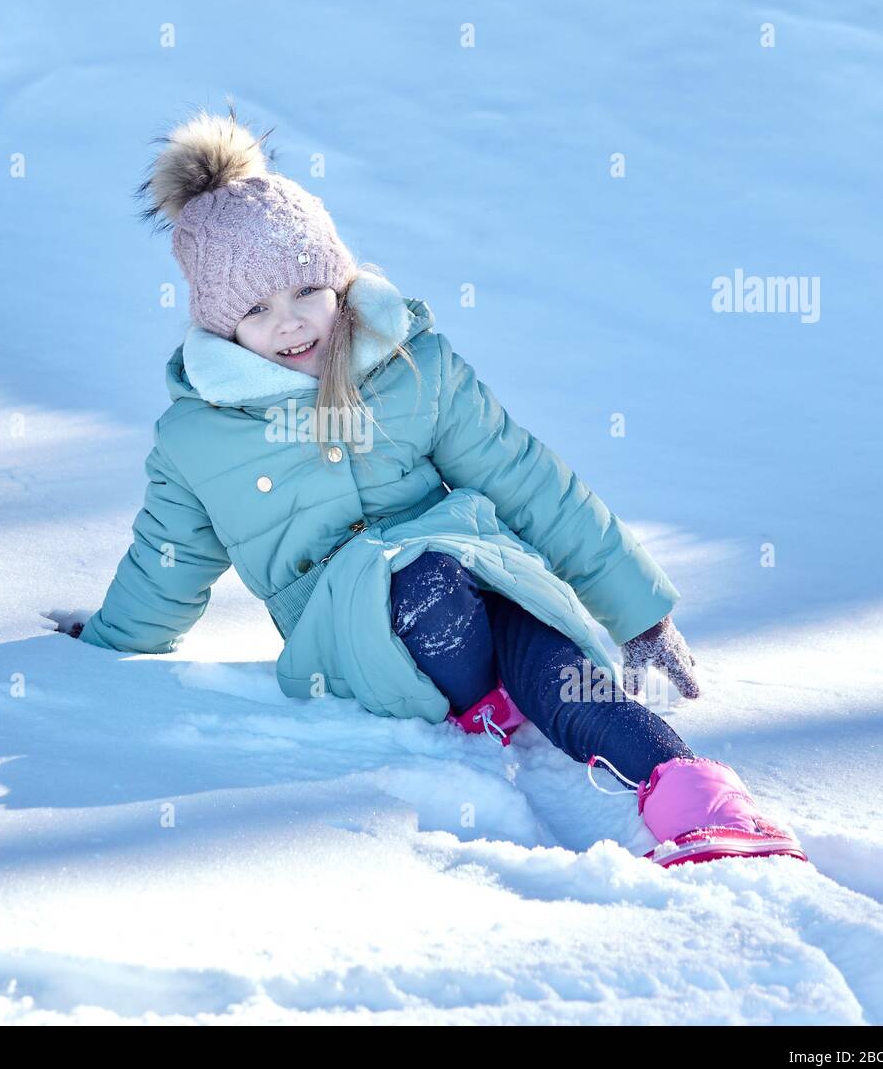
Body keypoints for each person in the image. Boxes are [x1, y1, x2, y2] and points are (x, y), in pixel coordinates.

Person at [47, 105, 806, 869]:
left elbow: (525, 478)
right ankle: (484, 703)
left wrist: (639, 611)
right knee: (421, 577)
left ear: (338, 280)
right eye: (255, 309)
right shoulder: (199, 439)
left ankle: (695, 795)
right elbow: (165, 565)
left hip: (475, 582)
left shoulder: (414, 367)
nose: (290, 324)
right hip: (349, 640)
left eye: (305, 290)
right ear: (221, 326)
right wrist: (106, 649)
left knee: (548, 654)